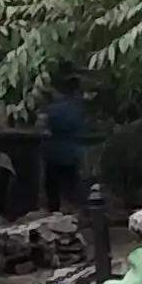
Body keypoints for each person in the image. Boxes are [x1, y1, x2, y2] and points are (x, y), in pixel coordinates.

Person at [42, 74, 89, 212]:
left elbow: (44, 127)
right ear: (76, 91)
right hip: (71, 154)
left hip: (53, 153)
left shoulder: (53, 108)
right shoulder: (77, 109)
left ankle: (54, 213)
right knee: (72, 188)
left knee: (53, 190)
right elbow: (81, 129)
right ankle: (78, 213)